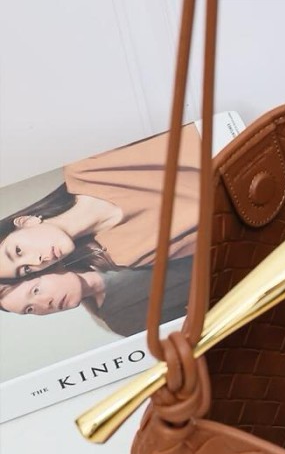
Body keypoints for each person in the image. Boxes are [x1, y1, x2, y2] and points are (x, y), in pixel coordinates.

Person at [0, 123, 201, 280]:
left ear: (26, 221)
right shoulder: (126, 254)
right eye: (26, 269)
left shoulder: (85, 166)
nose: (37, 262)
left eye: (18, 251)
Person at [0, 256, 193, 337]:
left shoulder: (106, 243)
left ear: (49, 268)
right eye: (30, 309)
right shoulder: (123, 320)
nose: (46, 304)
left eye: (36, 291)